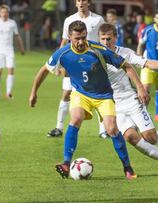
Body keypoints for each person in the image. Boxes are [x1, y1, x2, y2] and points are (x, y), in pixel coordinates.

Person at [29, 21, 150, 179]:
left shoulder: (98, 50)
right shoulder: (63, 53)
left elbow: (126, 66)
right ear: (69, 37)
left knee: (112, 129)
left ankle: (127, 168)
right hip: (81, 94)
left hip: (103, 95)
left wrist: (140, 87)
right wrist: (34, 92)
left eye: (83, 38)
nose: (80, 42)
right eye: (77, 38)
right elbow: (44, 70)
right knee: (76, 118)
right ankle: (66, 163)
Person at [98, 23, 158, 173]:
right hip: (113, 106)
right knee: (131, 137)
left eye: (109, 39)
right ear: (99, 39)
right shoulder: (95, 56)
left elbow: (145, 62)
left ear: (116, 38)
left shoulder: (124, 53)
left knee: (150, 138)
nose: (106, 42)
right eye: (103, 39)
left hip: (132, 101)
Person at [47, 0, 105, 137]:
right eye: (78, 0)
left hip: (92, 63)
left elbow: (102, 40)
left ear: (88, 3)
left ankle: (103, 130)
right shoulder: (69, 20)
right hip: (72, 63)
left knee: (98, 94)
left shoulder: (98, 20)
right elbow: (64, 42)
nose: (81, 3)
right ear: (75, 3)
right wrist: (58, 66)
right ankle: (59, 127)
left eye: (84, 0)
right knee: (66, 93)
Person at [0, 4, 25, 99]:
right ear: (0, 13)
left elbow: (17, 36)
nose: (4, 14)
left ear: (8, 13)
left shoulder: (12, 23)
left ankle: (8, 93)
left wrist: (21, 47)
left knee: (11, 70)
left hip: (9, 50)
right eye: (2, 12)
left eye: (6, 12)